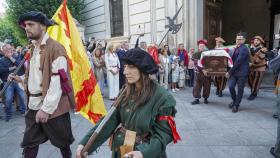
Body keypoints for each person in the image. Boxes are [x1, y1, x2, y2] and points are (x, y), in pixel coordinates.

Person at [76, 48, 181, 158]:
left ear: (143, 70)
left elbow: (164, 133)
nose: (125, 71)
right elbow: (109, 120)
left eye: (131, 67)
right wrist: (86, 144)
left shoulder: (162, 97)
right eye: (125, 66)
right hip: (122, 148)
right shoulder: (125, 91)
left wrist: (143, 152)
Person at [19, 11, 75, 158]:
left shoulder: (56, 48)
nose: (27, 28)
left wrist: (46, 109)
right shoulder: (32, 49)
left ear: (43, 26)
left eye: (31, 24)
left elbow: (58, 81)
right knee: (29, 143)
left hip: (53, 106)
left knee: (63, 143)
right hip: (33, 105)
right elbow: (36, 78)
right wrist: (21, 81)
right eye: (25, 26)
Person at [0, 43, 26, 121]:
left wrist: (11, 57)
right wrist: (11, 68)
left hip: (18, 81)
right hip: (7, 82)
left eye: (11, 48)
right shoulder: (1, 60)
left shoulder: (16, 57)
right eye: (8, 49)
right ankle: (8, 114)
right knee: (8, 99)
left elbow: (20, 65)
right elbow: (1, 70)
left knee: (23, 96)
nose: (11, 50)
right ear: (4, 51)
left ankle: (23, 111)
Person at [226, 32, 250, 113]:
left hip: (241, 73)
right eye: (237, 39)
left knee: (240, 90)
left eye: (240, 39)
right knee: (231, 86)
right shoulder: (236, 47)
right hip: (234, 72)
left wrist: (229, 72)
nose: (238, 40)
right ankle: (235, 100)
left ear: (244, 40)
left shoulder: (244, 49)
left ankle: (236, 105)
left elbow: (238, 61)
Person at [247, 36, 268, 100]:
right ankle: (253, 91)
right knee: (250, 81)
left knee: (256, 82)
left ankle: (254, 93)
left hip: (259, 68)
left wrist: (251, 63)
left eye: (257, 40)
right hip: (251, 68)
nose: (255, 42)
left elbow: (259, 59)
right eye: (255, 40)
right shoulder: (250, 48)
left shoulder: (264, 49)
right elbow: (248, 57)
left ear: (261, 42)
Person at [191, 40, 211, 105]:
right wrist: (202, 70)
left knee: (207, 86)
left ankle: (206, 98)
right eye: (200, 46)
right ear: (198, 47)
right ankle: (196, 99)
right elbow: (196, 63)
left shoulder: (208, 54)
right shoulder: (195, 54)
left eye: (203, 46)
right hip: (198, 72)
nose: (201, 47)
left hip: (207, 73)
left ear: (204, 47)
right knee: (197, 86)